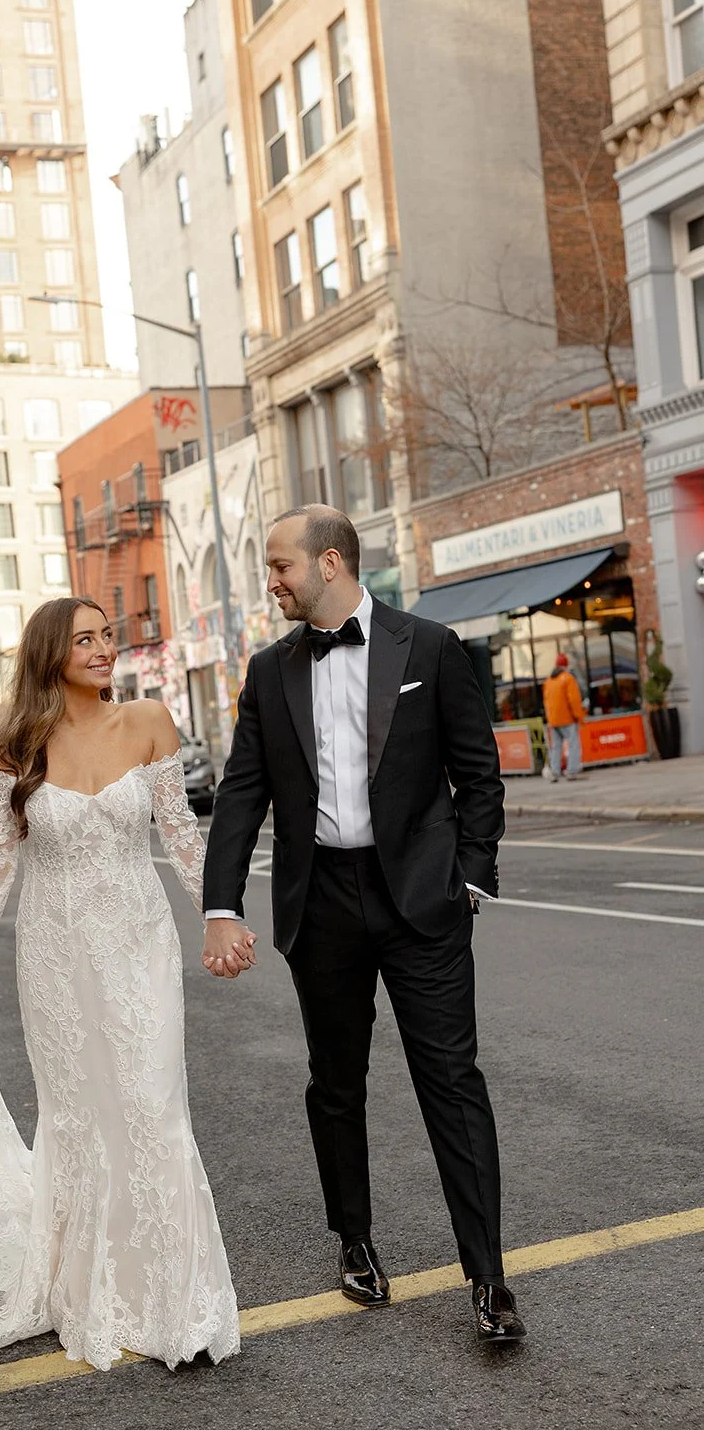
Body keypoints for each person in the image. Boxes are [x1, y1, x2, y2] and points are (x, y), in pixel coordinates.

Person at [201, 506, 526, 1344]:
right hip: (323, 902)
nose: (269, 581)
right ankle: (354, 1242)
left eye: (279, 566)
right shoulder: (269, 672)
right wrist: (221, 904)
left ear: (331, 562)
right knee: (336, 1084)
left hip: (420, 899)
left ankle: (488, 1279)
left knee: (452, 1085)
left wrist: (472, 877)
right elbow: (242, 795)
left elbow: (476, 773)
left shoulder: (430, 647)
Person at [0, 596, 249, 1372]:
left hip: (138, 942)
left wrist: (219, 917)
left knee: (153, 1108)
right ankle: (91, 1292)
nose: (104, 649)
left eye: (107, 635)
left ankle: (178, 1305)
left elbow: (183, 838)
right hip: (55, 956)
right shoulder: (12, 749)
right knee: (81, 1119)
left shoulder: (150, 721)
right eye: (85, 639)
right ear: (50, 654)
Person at [542, 653, 588, 782]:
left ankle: (555, 772)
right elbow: (573, 700)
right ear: (566, 665)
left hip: (553, 720)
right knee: (573, 744)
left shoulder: (549, 681)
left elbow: (546, 702)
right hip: (567, 719)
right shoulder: (568, 678)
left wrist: (550, 719)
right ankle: (572, 770)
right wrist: (579, 717)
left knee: (556, 747)